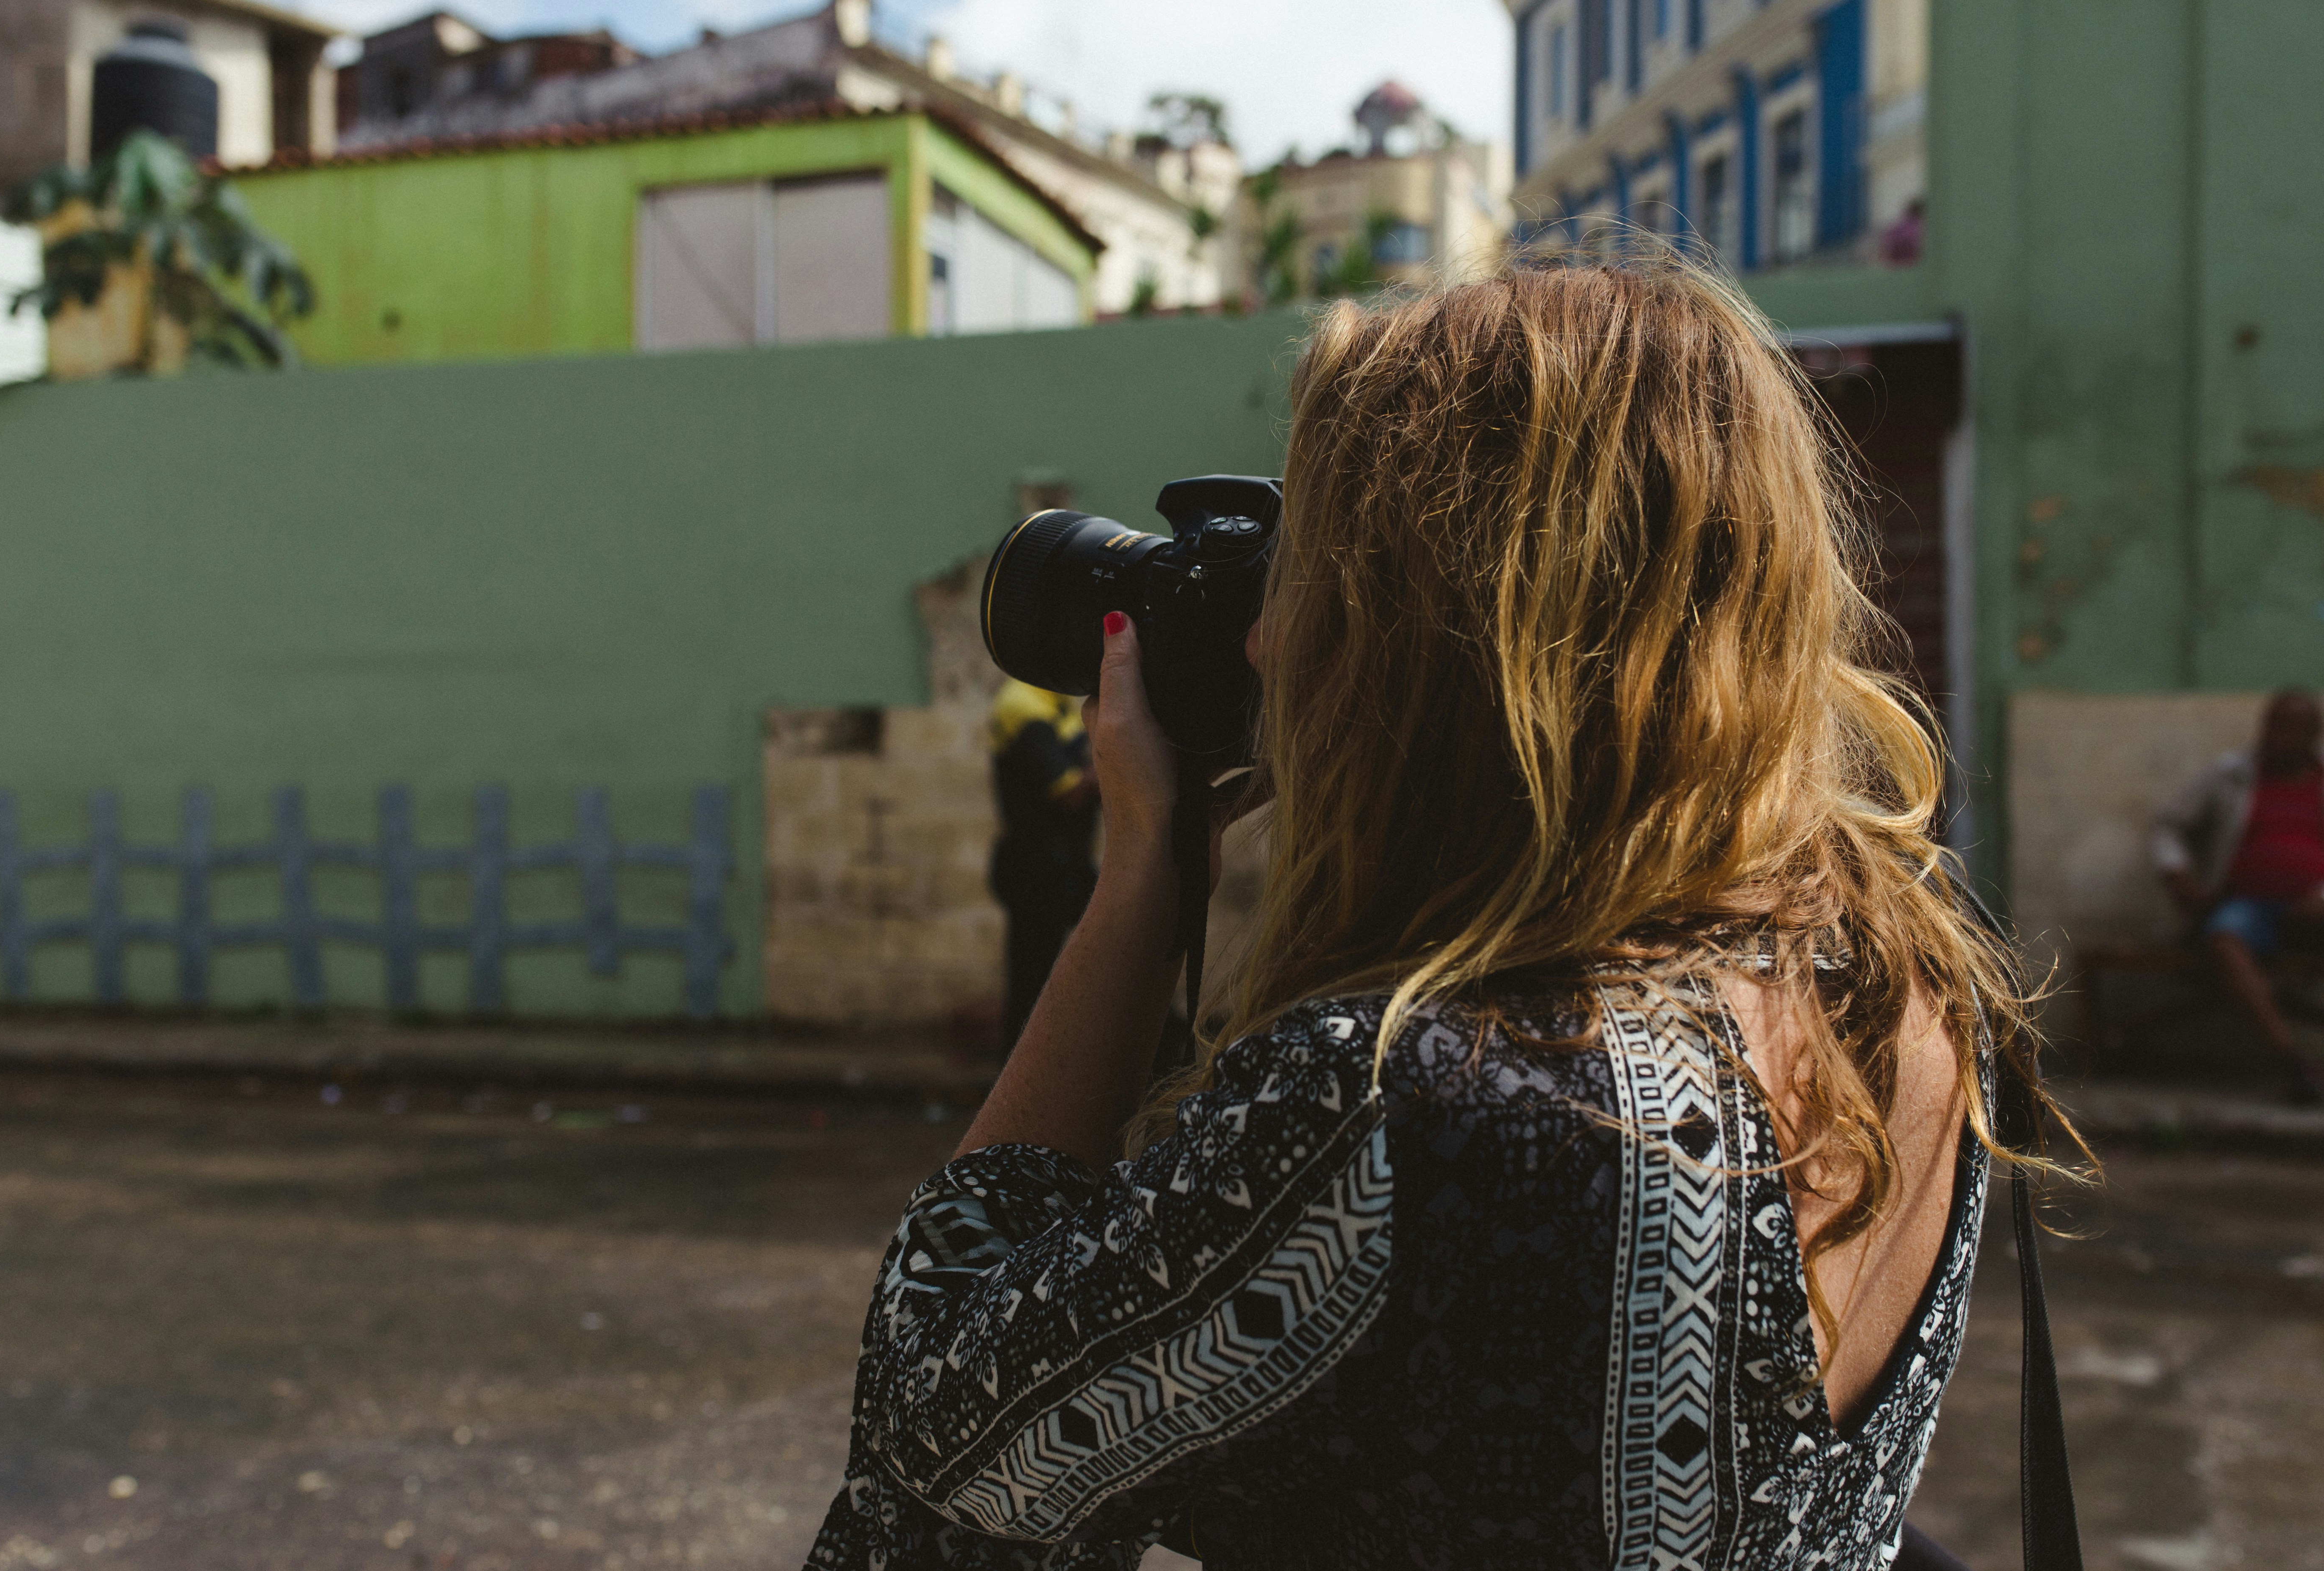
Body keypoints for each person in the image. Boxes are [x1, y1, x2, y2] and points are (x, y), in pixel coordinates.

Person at [808, 257, 2059, 1570]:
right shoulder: (1902, 974)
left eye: (1316, 566)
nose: (1256, 639)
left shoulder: (1394, 1104)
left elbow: (929, 1451)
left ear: (1439, 629)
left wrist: (1138, 883)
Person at [2152, 688, 2324, 1103]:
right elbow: (2168, 826)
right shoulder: (2232, 775)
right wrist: (2177, 873)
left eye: (2291, 727)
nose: (2279, 735)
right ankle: (2291, 1060)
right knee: (2224, 940)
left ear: (2312, 733)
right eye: (2273, 724)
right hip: (2247, 906)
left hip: (2314, 908)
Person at [987, 677, 1098, 1056]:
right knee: (1032, 976)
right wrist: (1120, 761)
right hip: (1036, 867)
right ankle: (1016, 1074)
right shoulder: (1023, 705)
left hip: (1065, 863)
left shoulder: (1055, 701)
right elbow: (1068, 790)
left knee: (1115, 954)